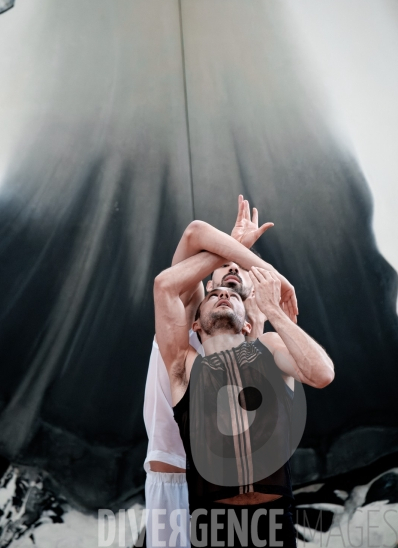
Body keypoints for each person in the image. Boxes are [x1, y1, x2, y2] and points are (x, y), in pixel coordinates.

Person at [154, 219, 334, 547]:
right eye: (213, 293)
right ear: (194, 323)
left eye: (231, 294)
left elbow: (322, 374)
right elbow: (166, 283)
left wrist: (275, 313)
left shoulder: (269, 348)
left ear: (249, 321)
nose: (223, 292)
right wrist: (253, 259)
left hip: (276, 522)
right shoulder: (184, 364)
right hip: (212, 527)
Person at [143, 197, 277, 548]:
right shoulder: (186, 314)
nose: (233, 269)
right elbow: (194, 235)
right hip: (173, 484)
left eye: (240, 270)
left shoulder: (251, 337)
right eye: (223, 264)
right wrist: (238, 248)